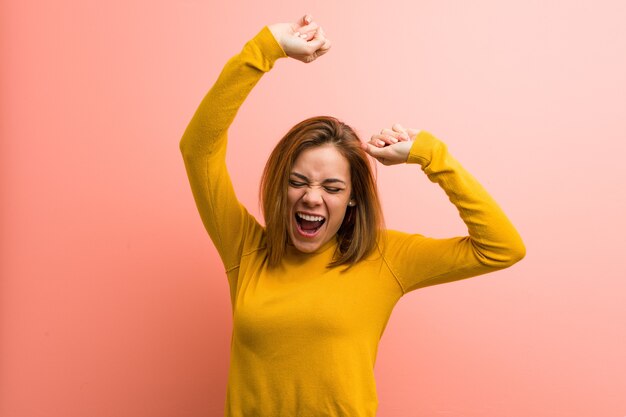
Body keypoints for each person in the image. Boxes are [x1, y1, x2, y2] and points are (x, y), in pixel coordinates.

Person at [180, 14, 525, 417]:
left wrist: (430, 155)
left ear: (353, 199)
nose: (311, 198)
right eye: (298, 182)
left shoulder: (384, 258)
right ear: (280, 186)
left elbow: (501, 248)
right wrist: (264, 49)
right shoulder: (246, 248)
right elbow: (198, 150)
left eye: (332, 188)